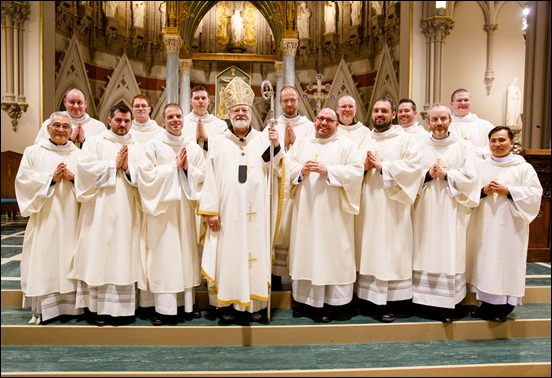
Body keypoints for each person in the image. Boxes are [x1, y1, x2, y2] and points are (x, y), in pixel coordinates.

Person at [198, 76, 282, 323]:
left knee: (255, 257)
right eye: (235, 110)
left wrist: (277, 146)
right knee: (229, 256)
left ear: (251, 112)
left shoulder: (265, 139)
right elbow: (209, 177)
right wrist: (211, 211)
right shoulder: (217, 142)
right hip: (227, 214)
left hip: (257, 214)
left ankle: (254, 306)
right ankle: (228, 306)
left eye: (244, 110)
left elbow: (276, 170)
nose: (240, 114)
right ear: (228, 114)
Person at [67, 102, 145, 327]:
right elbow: (83, 170)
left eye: (127, 121)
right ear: (109, 120)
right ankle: (98, 309)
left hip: (129, 211)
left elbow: (147, 174)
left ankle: (125, 309)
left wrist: (129, 168)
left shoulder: (138, 145)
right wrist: (113, 165)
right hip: (99, 212)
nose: (123, 125)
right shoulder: (94, 143)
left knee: (125, 254)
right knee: (99, 255)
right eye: (118, 120)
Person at [286, 108, 364, 322]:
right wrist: (300, 171)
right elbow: (287, 166)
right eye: (320, 118)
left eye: (329, 120)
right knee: (306, 253)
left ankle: (332, 304)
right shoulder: (302, 143)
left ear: (337, 124)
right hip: (306, 212)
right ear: (314, 121)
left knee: (332, 256)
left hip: (334, 215)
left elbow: (357, 172)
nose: (323, 123)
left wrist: (328, 171)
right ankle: (304, 301)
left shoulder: (347, 146)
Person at [354, 97, 425, 323]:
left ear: (393, 115)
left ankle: (391, 302)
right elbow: (351, 168)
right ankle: (367, 299)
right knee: (369, 249)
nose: (379, 114)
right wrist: (363, 169)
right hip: (368, 205)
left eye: (384, 111)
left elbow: (415, 169)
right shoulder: (364, 138)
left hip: (394, 207)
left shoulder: (405, 140)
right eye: (375, 110)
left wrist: (383, 167)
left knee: (392, 251)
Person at [136, 103, 207, 326]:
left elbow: (204, 174)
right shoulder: (152, 146)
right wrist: (172, 168)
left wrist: (187, 170)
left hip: (185, 211)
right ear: (163, 120)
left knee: (185, 255)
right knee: (164, 257)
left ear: (183, 120)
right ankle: (164, 308)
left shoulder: (193, 147)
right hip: (162, 213)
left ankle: (186, 305)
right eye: (170, 117)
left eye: (178, 116)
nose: (175, 120)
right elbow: (144, 176)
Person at [411, 103, 480, 323]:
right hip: (424, 207)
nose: (439, 123)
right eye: (434, 119)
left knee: (448, 251)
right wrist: (428, 176)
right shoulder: (417, 145)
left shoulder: (464, 147)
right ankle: (422, 302)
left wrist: (448, 174)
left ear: (450, 120)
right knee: (423, 249)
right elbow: (408, 175)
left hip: (451, 208)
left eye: (443, 118)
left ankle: (447, 304)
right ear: (428, 122)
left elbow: (472, 177)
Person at [467, 126, 542, 322]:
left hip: (510, 227)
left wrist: (509, 191)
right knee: (486, 262)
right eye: (493, 141)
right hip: (484, 224)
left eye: (501, 140)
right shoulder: (480, 165)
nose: (497, 144)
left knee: (505, 263)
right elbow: (468, 191)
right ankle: (486, 304)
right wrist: (482, 190)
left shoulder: (522, 167)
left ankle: (504, 306)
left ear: (511, 142)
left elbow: (535, 194)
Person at [15, 112, 83, 325]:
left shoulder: (79, 154)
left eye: (65, 126)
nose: (61, 130)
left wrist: (74, 178)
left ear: (71, 131)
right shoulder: (33, 152)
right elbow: (24, 181)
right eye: (56, 125)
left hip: (72, 216)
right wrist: (50, 179)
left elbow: (91, 183)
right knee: (46, 256)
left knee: (71, 256)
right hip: (45, 217)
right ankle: (45, 309)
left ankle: (72, 308)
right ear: (47, 128)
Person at [271, 86, 314, 289]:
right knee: (277, 232)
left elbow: (313, 154)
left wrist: (293, 144)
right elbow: (266, 155)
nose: (289, 104)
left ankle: (298, 281)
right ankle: (276, 281)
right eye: (285, 101)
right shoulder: (271, 126)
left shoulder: (310, 126)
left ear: (298, 101)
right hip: (278, 189)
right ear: (280, 103)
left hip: (300, 190)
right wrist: (283, 147)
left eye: (292, 100)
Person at [34, 88, 107, 147]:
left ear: (85, 104)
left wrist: (84, 142)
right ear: (65, 102)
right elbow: (38, 147)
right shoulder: (51, 123)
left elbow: (104, 151)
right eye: (72, 102)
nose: (76, 106)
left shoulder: (99, 127)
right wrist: (68, 140)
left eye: (79, 102)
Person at [449, 88, 495, 158]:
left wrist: (475, 153)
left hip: (478, 165)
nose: (463, 103)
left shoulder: (485, 125)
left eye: (466, 100)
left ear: (471, 103)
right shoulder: (445, 126)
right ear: (451, 104)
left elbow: (493, 147)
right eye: (459, 100)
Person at [183, 85, 228, 152]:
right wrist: (195, 137)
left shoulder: (220, 124)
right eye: (196, 98)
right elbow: (177, 146)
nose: (200, 101)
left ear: (208, 101)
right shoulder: (182, 123)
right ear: (190, 101)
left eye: (203, 98)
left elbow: (225, 147)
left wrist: (207, 138)